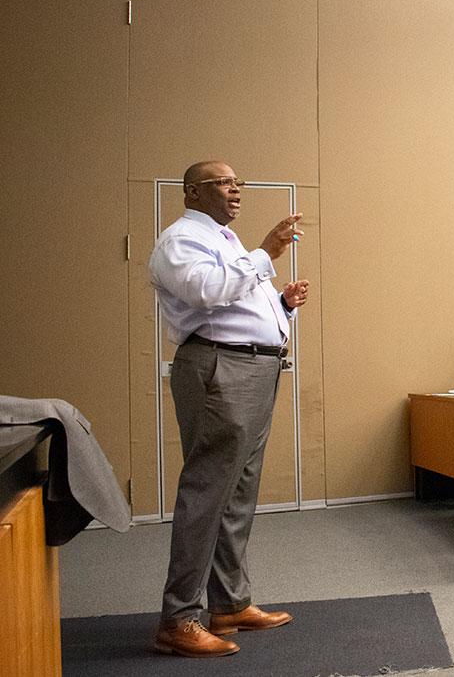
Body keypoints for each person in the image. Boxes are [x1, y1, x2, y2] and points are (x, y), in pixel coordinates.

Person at [149, 160, 308, 657]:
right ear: (193, 192)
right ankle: (179, 618)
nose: (236, 189)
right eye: (224, 182)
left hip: (253, 369)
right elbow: (205, 292)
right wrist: (268, 252)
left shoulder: (223, 239)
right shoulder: (180, 240)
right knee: (207, 491)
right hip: (221, 369)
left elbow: (236, 304)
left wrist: (280, 305)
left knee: (238, 491)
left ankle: (230, 604)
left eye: (238, 182)